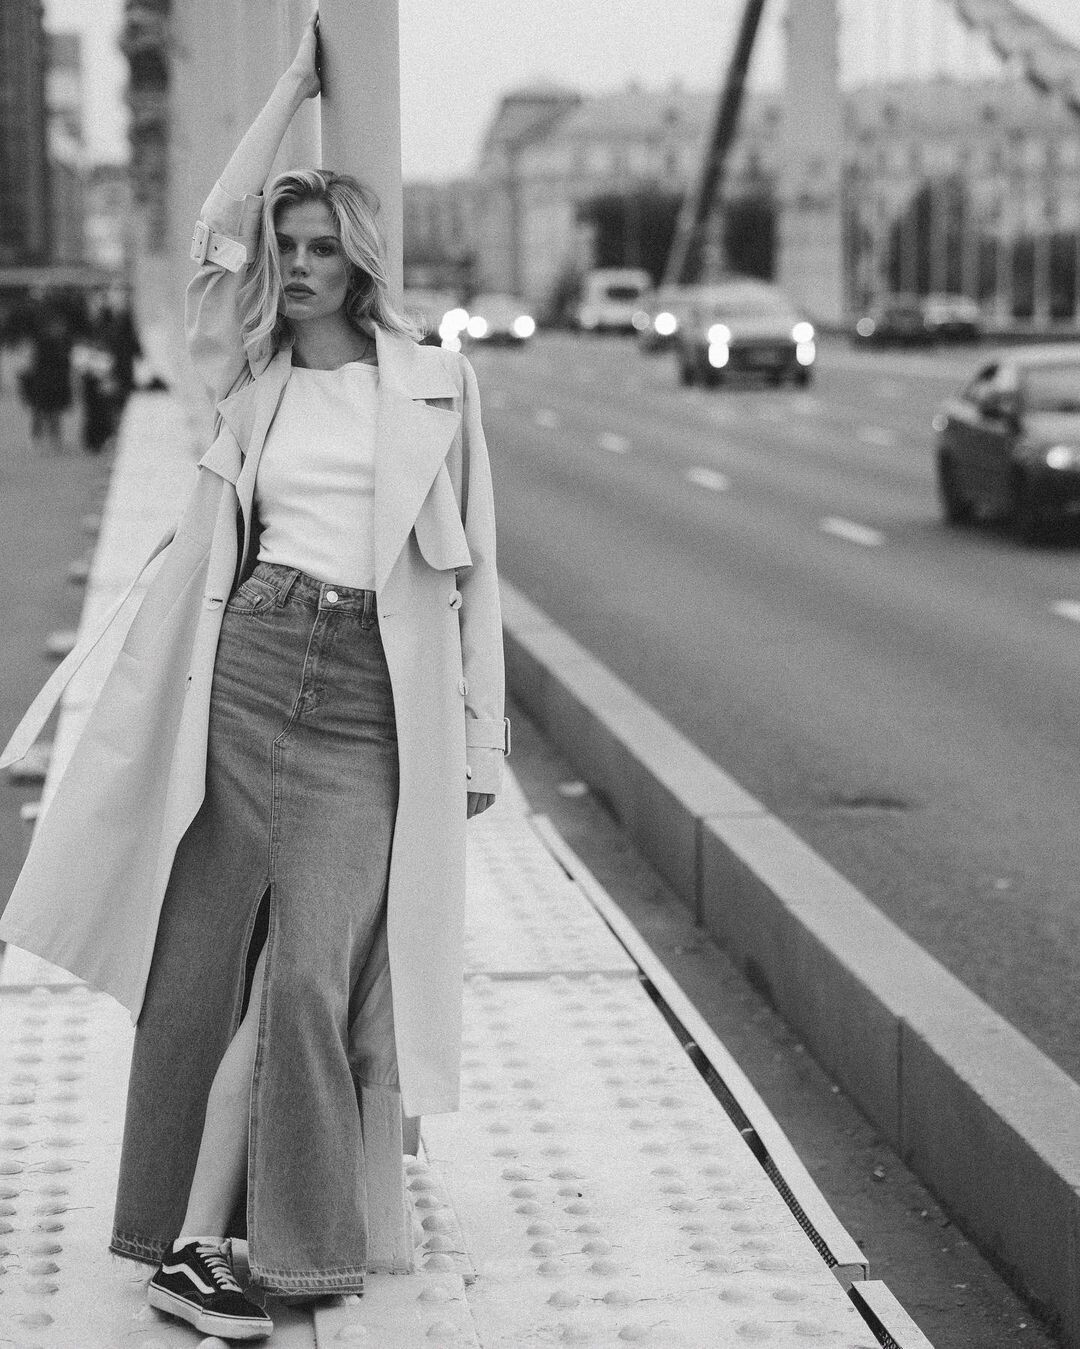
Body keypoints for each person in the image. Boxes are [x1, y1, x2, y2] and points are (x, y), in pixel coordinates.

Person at [0, 11, 507, 1343]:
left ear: (361, 258)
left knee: (307, 976)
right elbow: (212, 234)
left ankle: (279, 1252)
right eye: (289, 248)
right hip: (254, 664)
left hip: (368, 702)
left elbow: (478, 582)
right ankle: (187, 1239)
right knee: (203, 960)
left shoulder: (438, 386)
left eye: (323, 245)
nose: (300, 265)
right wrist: (289, 90)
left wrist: (481, 742)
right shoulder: (250, 374)